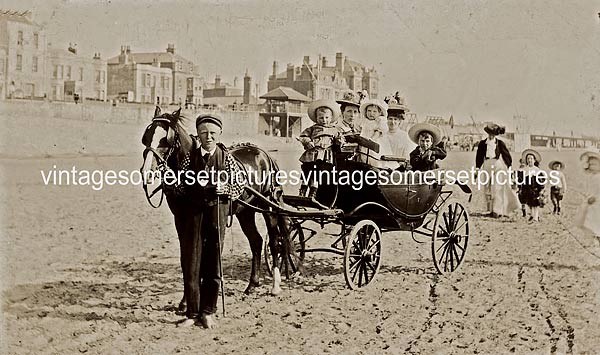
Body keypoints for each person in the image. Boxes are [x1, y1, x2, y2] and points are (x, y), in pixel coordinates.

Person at [179, 114, 245, 329]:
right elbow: (181, 182)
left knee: (213, 263)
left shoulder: (227, 159)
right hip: (194, 215)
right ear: (197, 134)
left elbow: (240, 185)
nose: (208, 136)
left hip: (216, 214)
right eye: (204, 132)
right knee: (191, 263)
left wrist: (225, 189)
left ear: (219, 134)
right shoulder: (190, 158)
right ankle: (192, 313)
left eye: (212, 133)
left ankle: (208, 311)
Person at [297, 99, 343, 198]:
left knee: (317, 173)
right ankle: (303, 188)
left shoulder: (334, 130)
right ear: (316, 118)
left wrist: (339, 141)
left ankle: (313, 190)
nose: (324, 120)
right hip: (312, 154)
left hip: (324, 156)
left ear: (331, 118)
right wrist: (307, 141)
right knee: (307, 170)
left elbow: (339, 141)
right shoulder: (313, 128)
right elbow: (303, 136)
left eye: (327, 117)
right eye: (321, 118)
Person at [474, 123, 520, 218]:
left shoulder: (499, 143)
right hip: (486, 164)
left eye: (493, 134)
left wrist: (509, 166)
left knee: (497, 187)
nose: (491, 136)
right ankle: (489, 209)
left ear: (495, 135)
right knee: (487, 187)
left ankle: (497, 210)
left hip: (497, 165)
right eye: (490, 134)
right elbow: (479, 156)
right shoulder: (483, 144)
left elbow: (506, 155)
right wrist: (478, 168)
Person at [356, 99, 390, 167]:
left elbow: (378, 132)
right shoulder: (364, 121)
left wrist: (372, 139)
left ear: (379, 113)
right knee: (363, 156)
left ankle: (375, 167)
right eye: (369, 111)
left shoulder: (379, 121)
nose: (371, 113)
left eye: (374, 111)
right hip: (364, 142)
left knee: (373, 157)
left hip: (373, 142)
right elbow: (360, 130)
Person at [575, 151, 600, 243]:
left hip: (598, 204)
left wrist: (595, 197)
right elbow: (590, 191)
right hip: (593, 207)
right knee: (590, 224)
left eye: (595, 164)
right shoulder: (591, 178)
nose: (592, 166)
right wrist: (587, 197)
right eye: (590, 164)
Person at [516, 149, 546, 222]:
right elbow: (520, 180)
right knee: (529, 203)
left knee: (535, 203)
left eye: (531, 159)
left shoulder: (537, 170)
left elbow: (541, 180)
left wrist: (541, 189)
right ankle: (532, 215)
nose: (529, 160)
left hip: (535, 189)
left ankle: (535, 217)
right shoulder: (524, 170)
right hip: (527, 189)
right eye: (528, 159)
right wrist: (520, 188)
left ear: (534, 160)